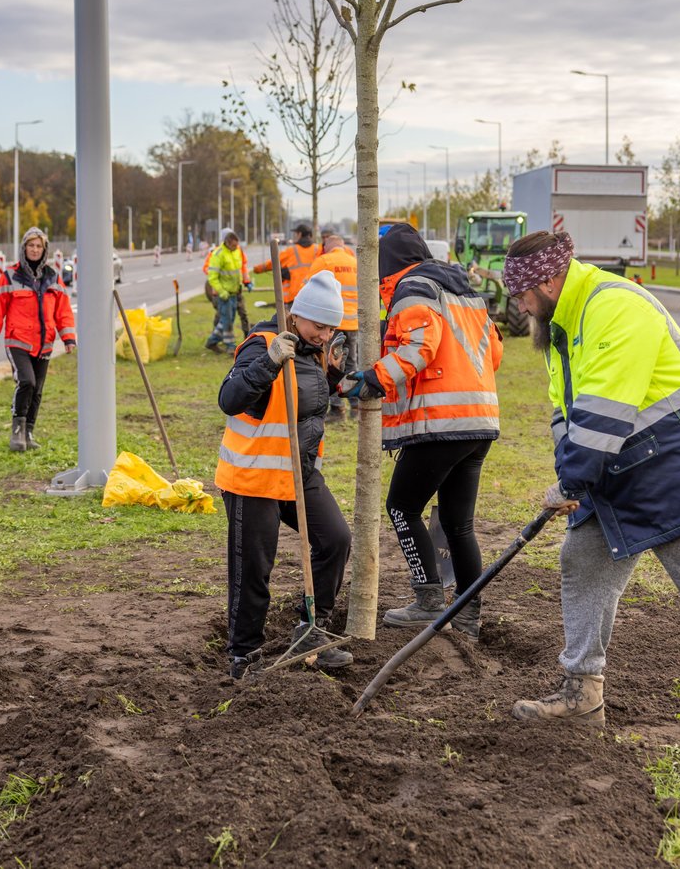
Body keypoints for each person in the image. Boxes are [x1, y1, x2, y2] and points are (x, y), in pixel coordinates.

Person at [501, 230, 680, 781]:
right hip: (618, 475)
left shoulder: (615, 306)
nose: (519, 306)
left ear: (550, 280)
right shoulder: (561, 327)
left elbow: (602, 415)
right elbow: (565, 412)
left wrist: (572, 482)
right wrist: (568, 481)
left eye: (523, 294)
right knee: (584, 563)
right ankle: (582, 693)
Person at [339, 223, 504, 640]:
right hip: (479, 421)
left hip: (441, 423)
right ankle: (468, 618)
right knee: (457, 524)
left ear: (386, 264)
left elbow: (418, 349)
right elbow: (495, 353)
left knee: (401, 506)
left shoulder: (411, 288)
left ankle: (428, 600)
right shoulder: (463, 290)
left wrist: (371, 380)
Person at [215, 270, 353, 679]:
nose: (326, 334)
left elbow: (309, 406)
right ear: (296, 316)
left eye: (332, 327)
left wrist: (332, 373)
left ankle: (311, 628)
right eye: (319, 325)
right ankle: (245, 655)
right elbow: (230, 398)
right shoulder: (261, 346)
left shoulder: (316, 352)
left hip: (299, 474)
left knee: (336, 539)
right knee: (254, 566)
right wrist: (270, 362)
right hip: (253, 477)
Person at [0, 227, 76, 452]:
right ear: (24, 248)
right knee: (27, 382)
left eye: (38, 246)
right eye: (31, 245)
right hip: (18, 341)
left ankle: (29, 432)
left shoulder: (53, 277)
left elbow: (63, 311)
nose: (34, 249)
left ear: (44, 250)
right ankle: (17, 432)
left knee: (38, 389)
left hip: (45, 343)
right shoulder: (10, 276)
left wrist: (68, 337)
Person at [305, 234, 358, 421]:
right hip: (354, 323)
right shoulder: (356, 262)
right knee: (351, 363)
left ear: (327, 246)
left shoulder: (323, 261)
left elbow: (308, 291)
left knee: (331, 365)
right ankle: (356, 406)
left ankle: (337, 409)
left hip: (331, 324)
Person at [204, 229, 251, 354]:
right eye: (234, 246)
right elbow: (212, 277)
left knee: (227, 319)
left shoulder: (236, 251)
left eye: (237, 245)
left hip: (235, 292)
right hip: (224, 294)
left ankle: (212, 341)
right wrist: (221, 291)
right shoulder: (218, 254)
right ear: (227, 243)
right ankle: (231, 346)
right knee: (228, 320)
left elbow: (241, 269)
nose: (236, 248)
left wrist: (246, 282)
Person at [252, 222, 319, 307]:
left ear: (300, 234)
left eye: (295, 234)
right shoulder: (318, 249)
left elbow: (273, 262)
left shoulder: (291, 251)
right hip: (315, 295)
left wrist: (256, 269)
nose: (294, 236)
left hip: (296, 295)